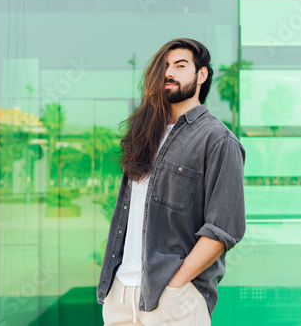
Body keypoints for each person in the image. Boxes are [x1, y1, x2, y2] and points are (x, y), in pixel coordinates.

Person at [97, 38, 246, 325]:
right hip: (120, 294)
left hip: (173, 299)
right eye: (165, 66)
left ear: (201, 75)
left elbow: (223, 229)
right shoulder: (145, 136)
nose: (170, 73)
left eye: (180, 65)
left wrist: (175, 285)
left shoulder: (218, 140)